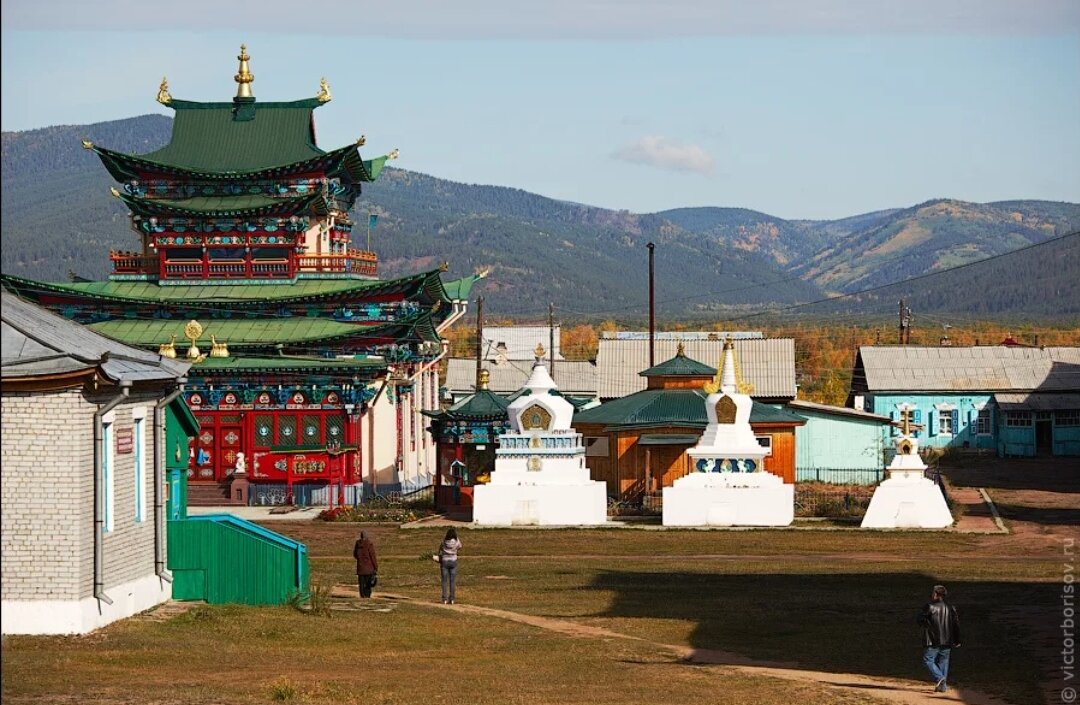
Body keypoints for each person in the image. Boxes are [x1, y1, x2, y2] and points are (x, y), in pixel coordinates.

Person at [918, 584, 961, 692]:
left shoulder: (930, 607)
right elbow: (956, 625)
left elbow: (919, 620)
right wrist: (957, 640)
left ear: (936, 594)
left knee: (928, 659)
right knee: (943, 662)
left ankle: (939, 678)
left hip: (933, 640)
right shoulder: (951, 608)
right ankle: (942, 685)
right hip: (947, 640)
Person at [438, 528, 462, 604]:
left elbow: (440, 549)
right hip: (453, 561)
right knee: (452, 581)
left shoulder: (444, 541)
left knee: (444, 581)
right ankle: (452, 599)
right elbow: (460, 546)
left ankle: (444, 599)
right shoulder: (456, 541)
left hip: (445, 561)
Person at [353, 530, 378, 598]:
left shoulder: (358, 543)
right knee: (368, 583)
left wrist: (360, 559)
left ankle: (362, 595)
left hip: (360, 567)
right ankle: (367, 595)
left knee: (361, 583)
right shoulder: (369, 543)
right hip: (369, 567)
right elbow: (372, 556)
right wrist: (376, 567)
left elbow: (355, 554)